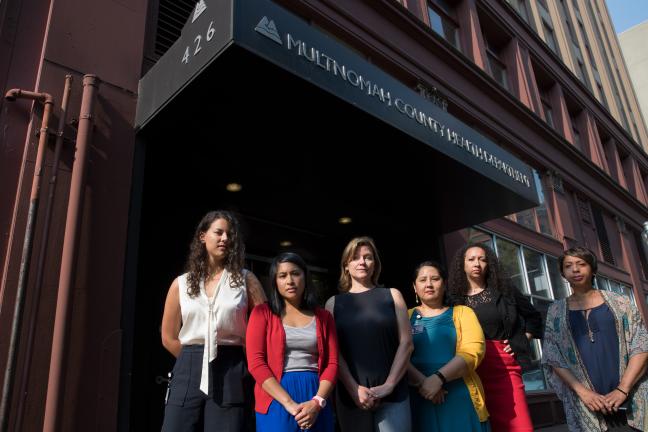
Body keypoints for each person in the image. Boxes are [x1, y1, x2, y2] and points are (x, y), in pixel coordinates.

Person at [160, 210, 266, 431]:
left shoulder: (247, 280)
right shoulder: (181, 283)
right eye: (218, 232)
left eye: (230, 235)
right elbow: (168, 337)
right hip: (189, 364)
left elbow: (265, 330)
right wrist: (196, 360)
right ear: (202, 236)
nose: (225, 239)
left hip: (231, 365)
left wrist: (246, 363)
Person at [542, 246, 648, 431]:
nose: (575, 270)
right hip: (586, 406)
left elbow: (642, 345)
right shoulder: (556, 311)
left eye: (581, 264)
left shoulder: (620, 302)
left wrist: (623, 389)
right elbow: (553, 356)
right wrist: (584, 393)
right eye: (568, 266)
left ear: (592, 269)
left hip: (631, 399)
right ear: (562, 273)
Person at [447, 243, 541, 432]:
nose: (477, 263)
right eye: (471, 259)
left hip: (504, 367)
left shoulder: (505, 290)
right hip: (470, 370)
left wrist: (521, 340)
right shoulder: (452, 299)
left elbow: (534, 318)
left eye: (482, 259)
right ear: (462, 265)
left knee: (520, 426)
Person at [325, 237, 413, 432]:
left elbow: (406, 343)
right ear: (346, 265)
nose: (362, 262)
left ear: (375, 264)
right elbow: (333, 353)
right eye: (355, 258)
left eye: (368, 257)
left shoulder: (393, 295)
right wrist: (353, 388)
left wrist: (389, 385)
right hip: (352, 397)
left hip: (394, 395)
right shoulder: (333, 304)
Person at [246, 252, 338, 432]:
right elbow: (256, 363)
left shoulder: (324, 317)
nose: (289, 280)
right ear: (275, 281)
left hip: (316, 392)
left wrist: (317, 402)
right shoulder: (261, 313)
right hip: (276, 395)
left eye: (295, 273)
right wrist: (289, 404)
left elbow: (333, 363)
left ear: (305, 276)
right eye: (282, 275)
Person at [408, 261, 490, 431]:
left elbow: (473, 351)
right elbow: (396, 355)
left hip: (459, 397)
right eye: (422, 280)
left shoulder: (463, 313)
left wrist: (438, 378)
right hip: (418, 398)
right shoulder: (403, 316)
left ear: (444, 284)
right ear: (414, 287)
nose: (429, 284)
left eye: (435, 279)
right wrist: (425, 383)